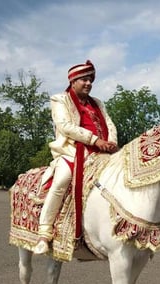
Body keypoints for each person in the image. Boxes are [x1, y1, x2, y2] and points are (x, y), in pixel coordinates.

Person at [34, 60, 118, 255]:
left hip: (103, 151)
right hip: (72, 150)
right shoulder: (59, 100)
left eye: (90, 80)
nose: (88, 83)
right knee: (62, 179)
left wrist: (111, 142)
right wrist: (95, 140)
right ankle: (44, 232)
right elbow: (64, 125)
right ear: (73, 81)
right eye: (84, 79)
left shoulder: (97, 103)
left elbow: (110, 123)